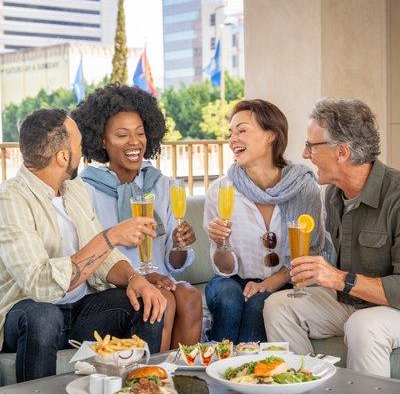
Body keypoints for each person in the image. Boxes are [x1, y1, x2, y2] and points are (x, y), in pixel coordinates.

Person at [0, 109, 166, 382]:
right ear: (63, 156)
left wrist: (136, 278)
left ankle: (141, 386)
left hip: (79, 311)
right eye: (78, 144)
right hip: (27, 315)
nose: (82, 150)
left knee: (145, 301)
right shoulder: (10, 199)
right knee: (44, 316)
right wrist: (110, 236)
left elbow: (101, 258)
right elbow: (40, 285)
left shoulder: (75, 188)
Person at [264, 98, 400, 377]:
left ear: (342, 152)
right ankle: (305, 384)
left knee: (364, 325)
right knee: (278, 305)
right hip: (353, 301)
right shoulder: (334, 195)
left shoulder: (396, 196)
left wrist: (338, 278)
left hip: (391, 309)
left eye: (311, 146)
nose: (304, 154)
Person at [71, 84, 203, 350]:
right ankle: (153, 381)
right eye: (122, 135)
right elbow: (93, 256)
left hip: (162, 278)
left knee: (190, 297)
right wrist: (141, 277)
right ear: (101, 141)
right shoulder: (87, 190)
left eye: (140, 133)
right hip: (115, 286)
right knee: (165, 298)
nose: (134, 142)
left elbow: (174, 263)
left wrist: (178, 244)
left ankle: (183, 379)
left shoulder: (161, 184)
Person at [204, 99, 331, 344]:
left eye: (242, 130)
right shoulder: (221, 189)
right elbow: (223, 268)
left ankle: (250, 375)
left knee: (259, 304)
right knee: (229, 298)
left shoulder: (303, 186)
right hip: (231, 279)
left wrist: (271, 283)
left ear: (270, 135)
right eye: (230, 133)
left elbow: (311, 250)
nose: (232, 139)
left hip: (285, 277)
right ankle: (216, 370)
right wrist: (220, 243)